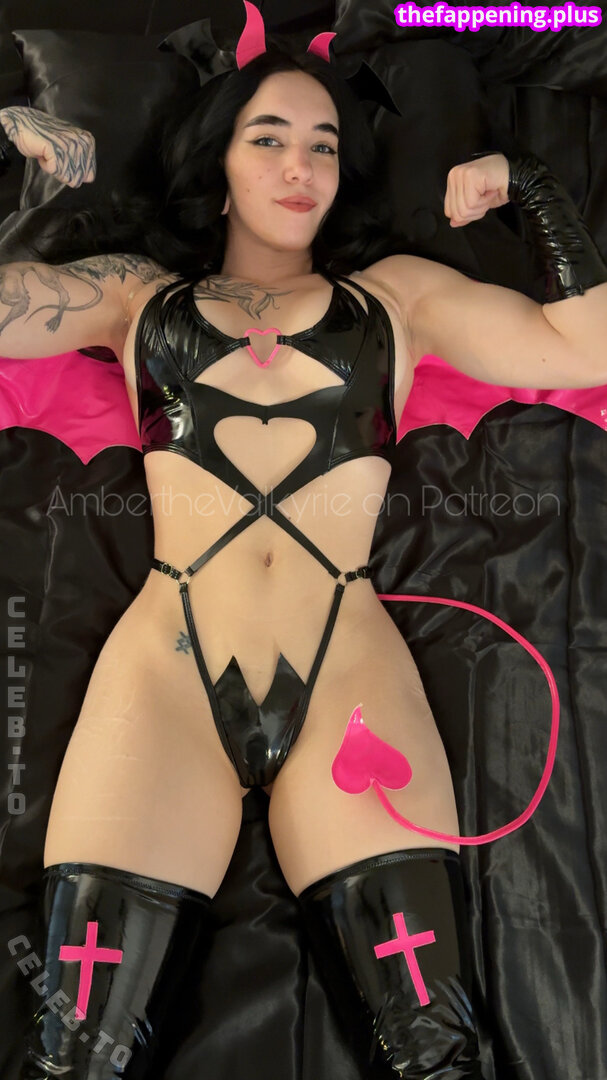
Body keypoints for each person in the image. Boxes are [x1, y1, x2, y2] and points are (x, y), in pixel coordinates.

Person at [1, 9, 606, 1077]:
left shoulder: (398, 299)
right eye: (269, 138)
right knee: (76, 1056)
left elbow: (581, 346)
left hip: (347, 675)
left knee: (433, 1053)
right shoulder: (137, 295)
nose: (299, 166)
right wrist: (32, 183)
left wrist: (531, 186)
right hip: (166, 673)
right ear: (219, 160)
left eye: (322, 144)